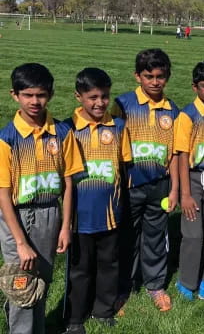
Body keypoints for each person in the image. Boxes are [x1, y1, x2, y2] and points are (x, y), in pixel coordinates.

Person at [0, 63, 83, 333]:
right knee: (21, 285)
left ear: (51, 94)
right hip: (17, 218)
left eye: (41, 95)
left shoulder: (62, 133)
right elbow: (2, 194)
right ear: (15, 95)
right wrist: (21, 243)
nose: (35, 101)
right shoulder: (7, 139)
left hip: (50, 212)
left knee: (42, 281)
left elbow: (69, 182)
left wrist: (65, 227)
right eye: (28, 95)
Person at [63, 68, 132, 333]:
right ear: (78, 96)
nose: (99, 102)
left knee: (109, 264)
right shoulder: (66, 129)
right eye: (92, 97)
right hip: (79, 217)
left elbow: (124, 166)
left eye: (104, 96)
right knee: (79, 270)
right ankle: (75, 318)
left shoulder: (118, 126)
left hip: (110, 213)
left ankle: (103, 310)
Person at [113, 48, 179, 312]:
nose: (154, 81)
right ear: (137, 76)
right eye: (148, 76)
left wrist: (174, 188)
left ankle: (155, 285)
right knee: (127, 236)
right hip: (130, 184)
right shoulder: (122, 104)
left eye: (160, 76)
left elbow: (175, 153)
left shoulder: (172, 109)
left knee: (155, 236)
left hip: (159, 186)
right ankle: (122, 287)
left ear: (167, 77)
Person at [174, 60, 204, 300]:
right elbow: (182, 155)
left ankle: (202, 279)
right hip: (192, 178)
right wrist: (184, 194)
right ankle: (185, 281)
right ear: (195, 87)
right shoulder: (187, 115)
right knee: (192, 234)